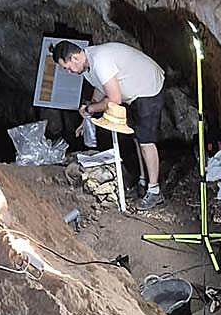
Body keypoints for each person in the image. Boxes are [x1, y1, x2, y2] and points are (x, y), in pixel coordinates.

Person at [52, 40, 166, 210]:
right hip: (133, 91)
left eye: (68, 67)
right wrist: (86, 117)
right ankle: (143, 181)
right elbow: (101, 88)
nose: (69, 72)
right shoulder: (87, 65)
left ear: (75, 58)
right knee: (136, 138)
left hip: (147, 87)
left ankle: (155, 191)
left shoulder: (100, 61)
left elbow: (114, 100)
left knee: (145, 141)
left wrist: (91, 108)